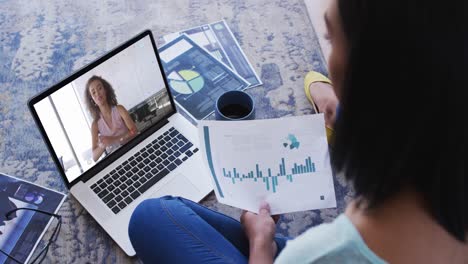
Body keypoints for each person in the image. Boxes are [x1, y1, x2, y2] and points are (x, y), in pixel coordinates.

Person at [128, 0, 467, 263]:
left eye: (331, 39)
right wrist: (334, 99)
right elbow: (315, 80)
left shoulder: (319, 254)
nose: (328, 57)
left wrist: (262, 247)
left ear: (369, 75)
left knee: (149, 217)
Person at [84, 76, 138, 161]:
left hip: (132, 151)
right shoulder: (95, 125)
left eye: (99, 88)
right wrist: (103, 145)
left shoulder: (120, 109)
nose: (97, 93)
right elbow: (94, 157)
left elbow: (134, 131)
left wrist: (113, 140)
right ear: (92, 100)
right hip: (115, 161)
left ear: (105, 90)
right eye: (93, 92)